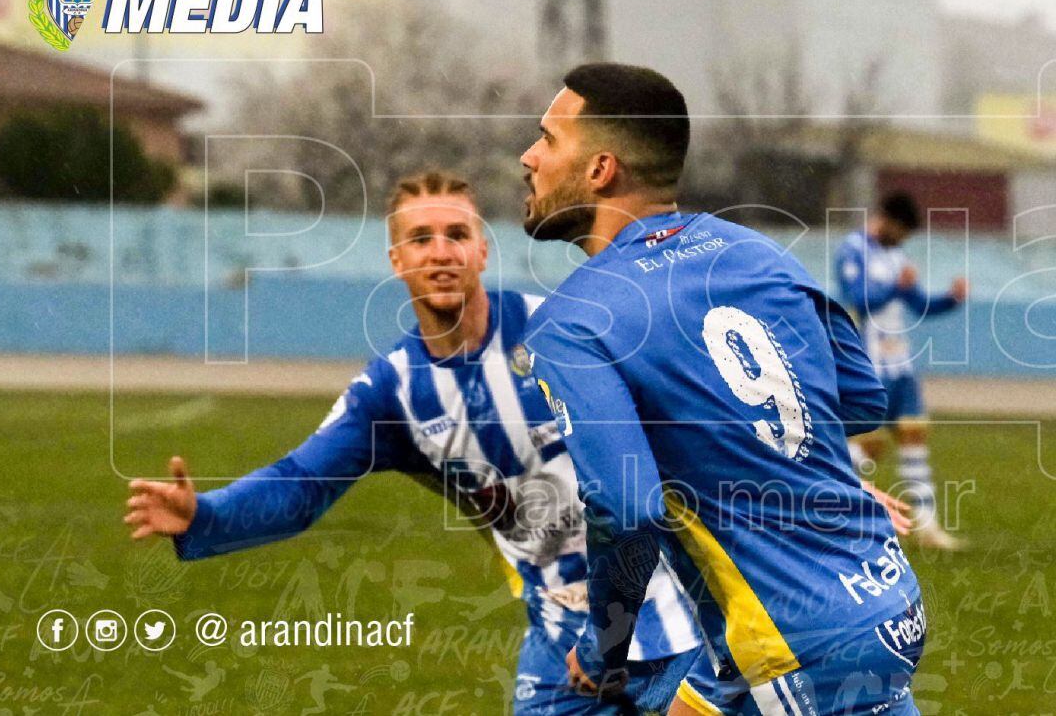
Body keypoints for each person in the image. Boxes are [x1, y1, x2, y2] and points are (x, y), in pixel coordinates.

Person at [124, 170, 701, 715]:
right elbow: (301, 484)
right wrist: (206, 513)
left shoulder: (563, 329)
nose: (441, 252)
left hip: (671, 615)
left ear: (482, 249)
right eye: (420, 238)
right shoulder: (392, 392)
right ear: (396, 260)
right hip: (556, 636)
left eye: (456, 234)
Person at [519, 63, 924, 714]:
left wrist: (603, 649)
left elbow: (629, 508)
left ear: (600, 169)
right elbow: (858, 398)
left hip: (789, 644)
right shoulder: (760, 254)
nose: (529, 155)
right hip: (886, 596)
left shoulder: (571, 322)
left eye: (547, 138)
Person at [835, 191, 968, 550]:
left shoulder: (895, 255)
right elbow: (858, 299)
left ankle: (927, 527)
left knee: (914, 438)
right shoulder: (853, 249)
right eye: (902, 230)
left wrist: (951, 299)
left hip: (901, 364)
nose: (904, 239)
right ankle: (827, 500)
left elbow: (917, 302)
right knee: (869, 447)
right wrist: (897, 286)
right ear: (886, 219)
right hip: (870, 364)